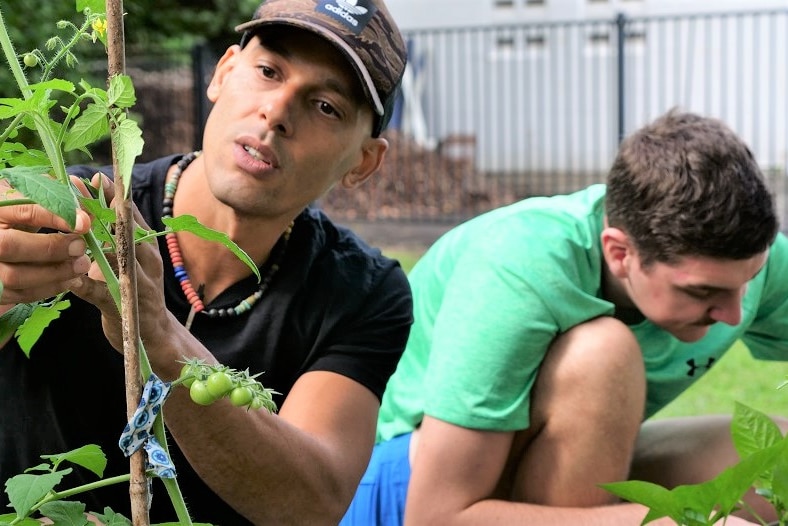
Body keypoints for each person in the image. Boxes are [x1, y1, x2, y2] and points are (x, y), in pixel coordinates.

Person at [0, 0, 412, 524]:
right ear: (223, 72)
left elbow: (310, 502)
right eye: (268, 72)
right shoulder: (67, 211)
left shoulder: (364, 293)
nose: (277, 112)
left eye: (326, 105)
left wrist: (158, 333)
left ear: (364, 162)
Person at [340, 109, 788, 525]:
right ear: (619, 252)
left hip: (533, 465)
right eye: (702, 292)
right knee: (604, 354)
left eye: (746, 282)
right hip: (400, 484)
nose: (733, 314)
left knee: (779, 458)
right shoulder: (520, 266)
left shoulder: (744, 261)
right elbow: (437, 515)